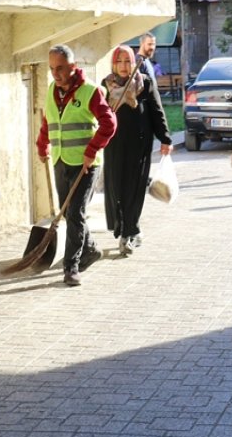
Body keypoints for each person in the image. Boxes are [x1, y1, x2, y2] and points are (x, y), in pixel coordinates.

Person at [37, 44, 116, 286]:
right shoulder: (52, 90)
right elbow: (48, 119)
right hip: (61, 159)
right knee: (70, 211)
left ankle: (71, 267)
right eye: (51, 69)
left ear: (73, 67)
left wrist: (92, 150)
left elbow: (109, 123)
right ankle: (90, 249)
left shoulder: (90, 91)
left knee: (76, 213)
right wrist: (42, 145)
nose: (55, 74)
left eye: (60, 68)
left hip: (86, 164)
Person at [102, 45, 174, 257]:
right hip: (113, 145)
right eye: (120, 61)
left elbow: (157, 111)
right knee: (116, 188)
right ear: (114, 64)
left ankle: (130, 232)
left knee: (133, 189)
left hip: (139, 146)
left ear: (134, 62)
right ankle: (124, 227)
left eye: (128, 61)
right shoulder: (105, 86)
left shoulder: (145, 83)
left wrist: (165, 139)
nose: (124, 66)